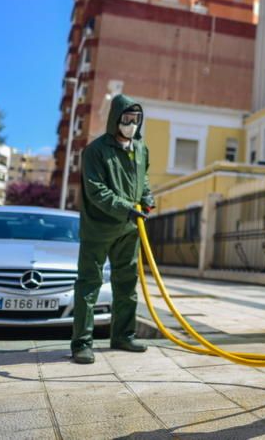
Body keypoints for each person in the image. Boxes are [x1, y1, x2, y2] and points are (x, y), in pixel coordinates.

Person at [70, 94, 154, 364]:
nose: (131, 125)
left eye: (136, 120)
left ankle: (122, 336)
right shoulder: (96, 151)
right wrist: (125, 207)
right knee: (89, 285)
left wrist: (148, 199)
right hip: (99, 229)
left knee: (127, 284)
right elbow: (96, 191)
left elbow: (144, 180)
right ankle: (82, 343)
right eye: (126, 119)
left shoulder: (141, 149)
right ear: (114, 119)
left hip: (129, 229)